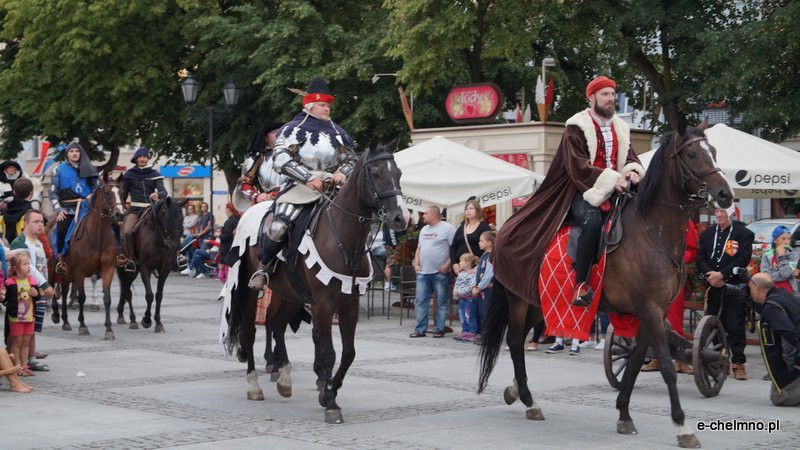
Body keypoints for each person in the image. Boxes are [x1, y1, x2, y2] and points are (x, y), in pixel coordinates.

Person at [492, 76, 644, 308]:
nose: (611, 99)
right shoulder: (576, 127)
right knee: (592, 224)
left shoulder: (621, 128)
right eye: (605, 94)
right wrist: (612, 180)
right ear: (591, 97)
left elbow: (630, 157)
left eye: (613, 95)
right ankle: (580, 283)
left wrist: (633, 171)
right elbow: (578, 166)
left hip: (618, 190)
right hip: (583, 190)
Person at [248, 76, 357, 291]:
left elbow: (353, 159)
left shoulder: (339, 132)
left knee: (355, 221)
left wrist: (342, 173)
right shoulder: (291, 130)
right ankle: (264, 268)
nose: (327, 109)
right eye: (323, 105)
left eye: (328, 105)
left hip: (332, 188)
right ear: (310, 105)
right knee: (279, 226)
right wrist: (308, 178)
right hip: (298, 187)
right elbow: (280, 159)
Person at [696, 206, 754, 380]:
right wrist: (710, 275)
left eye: (723, 212)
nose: (719, 215)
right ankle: (720, 360)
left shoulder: (743, 233)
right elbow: (700, 259)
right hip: (713, 286)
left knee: (735, 325)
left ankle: (738, 363)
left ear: (732, 214)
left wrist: (722, 274)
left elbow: (742, 259)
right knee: (714, 324)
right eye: (717, 211)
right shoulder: (707, 234)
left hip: (733, 287)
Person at [646, 220, 698, 373]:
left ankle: (680, 360)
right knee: (652, 317)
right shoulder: (654, 219)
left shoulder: (685, 222)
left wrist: (676, 261)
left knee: (674, 319)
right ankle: (656, 358)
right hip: (653, 276)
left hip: (673, 277)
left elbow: (692, 251)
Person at [9, 209, 55, 373]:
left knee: (32, 326)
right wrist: (44, 285)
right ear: (26, 224)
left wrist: (47, 283)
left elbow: (43, 267)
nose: (40, 225)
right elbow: (32, 269)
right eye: (35, 222)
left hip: (37, 291)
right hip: (25, 292)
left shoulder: (39, 242)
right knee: (20, 329)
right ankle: (21, 361)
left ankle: (30, 358)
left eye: (42, 222)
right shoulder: (20, 242)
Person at [748, 273, 800, 406]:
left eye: (749, 288)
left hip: (793, 364)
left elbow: (789, 333)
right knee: (777, 387)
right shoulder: (782, 295)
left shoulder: (771, 307)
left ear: (756, 288)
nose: (749, 292)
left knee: (778, 398)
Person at [49, 142, 99, 273]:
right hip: (67, 209)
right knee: (60, 231)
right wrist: (58, 210)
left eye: (77, 151)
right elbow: (53, 193)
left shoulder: (90, 169)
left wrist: (92, 196)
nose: (75, 153)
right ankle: (61, 261)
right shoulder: (58, 170)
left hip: (88, 209)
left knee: (110, 227)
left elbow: (98, 189)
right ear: (67, 154)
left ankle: (113, 257)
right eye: (71, 151)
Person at [409, 206, 455, 338]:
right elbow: (419, 248)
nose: (423, 216)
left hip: (440, 272)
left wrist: (448, 265)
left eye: (426, 214)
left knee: (441, 301)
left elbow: (454, 248)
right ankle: (420, 329)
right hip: (423, 272)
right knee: (420, 301)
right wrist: (416, 263)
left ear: (434, 215)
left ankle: (439, 329)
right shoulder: (424, 229)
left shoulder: (447, 228)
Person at [119, 147, 168, 271]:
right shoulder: (129, 175)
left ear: (148, 159)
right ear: (136, 159)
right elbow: (123, 193)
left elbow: (163, 191)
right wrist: (122, 205)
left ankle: (175, 255)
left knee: (168, 227)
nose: (142, 159)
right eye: (140, 157)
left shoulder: (155, 174)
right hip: (135, 209)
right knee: (127, 231)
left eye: (145, 157)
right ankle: (130, 259)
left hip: (151, 209)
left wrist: (158, 195)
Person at [235, 121, 286, 210]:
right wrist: (256, 196)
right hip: (266, 204)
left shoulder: (296, 157)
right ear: (266, 138)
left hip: (292, 201)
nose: (279, 135)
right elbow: (244, 183)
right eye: (275, 132)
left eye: (282, 132)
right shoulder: (256, 159)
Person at [4, 252, 39, 377]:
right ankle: (16, 367)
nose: (28, 266)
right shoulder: (10, 282)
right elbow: (5, 299)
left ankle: (25, 366)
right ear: (15, 268)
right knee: (17, 342)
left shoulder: (32, 280)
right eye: (25, 264)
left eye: (28, 264)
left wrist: (35, 293)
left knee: (26, 342)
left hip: (30, 317)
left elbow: (37, 296)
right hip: (16, 318)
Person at [450, 199, 491, 275]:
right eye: (466, 209)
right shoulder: (461, 227)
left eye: (471, 209)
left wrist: (477, 267)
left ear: (478, 211)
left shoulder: (483, 226)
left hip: (476, 268)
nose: (468, 211)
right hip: (460, 269)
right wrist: (454, 263)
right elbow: (453, 247)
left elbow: (488, 248)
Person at [760, 225, 799, 294]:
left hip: (788, 290)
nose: (786, 242)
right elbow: (765, 276)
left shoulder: (793, 255)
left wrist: (782, 257)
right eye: (783, 239)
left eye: (789, 239)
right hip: (770, 290)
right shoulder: (767, 254)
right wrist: (789, 274)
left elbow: (785, 274)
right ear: (775, 240)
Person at [472, 230, 495, 342]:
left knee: (487, 312)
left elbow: (489, 274)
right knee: (481, 311)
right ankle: (482, 332)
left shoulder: (491, 256)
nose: (479, 243)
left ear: (489, 243)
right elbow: (478, 271)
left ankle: (488, 335)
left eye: (481, 241)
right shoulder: (484, 256)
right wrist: (474, 285)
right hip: (482, 289)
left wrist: (480, 286)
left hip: (488, 288)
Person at [453, 253, 479, 342]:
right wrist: (455, 291)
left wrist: (459, 292)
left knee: (470, 316)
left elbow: (471, 286)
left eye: (461, 261)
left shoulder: (474, 274)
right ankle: (465, 331)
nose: (459, 263)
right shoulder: (461, 274)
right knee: (463, 316)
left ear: (467, 262)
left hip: (470, 299)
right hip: (462, 299)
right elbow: (457, 284)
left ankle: (472, 333)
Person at [2, 178, 35, 242]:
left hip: (8, 249)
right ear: (32, 192)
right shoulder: (31, 214)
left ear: (14, 192)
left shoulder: (5, 212)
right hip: (26, 248)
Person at [218, 203, 241, 284]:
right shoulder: (237, 220)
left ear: (228, 209)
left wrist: (220, 236)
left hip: (226, 250)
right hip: (233, 250)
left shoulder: (229, 222)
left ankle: (228, 290)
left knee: (223, 276)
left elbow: (227, 236)